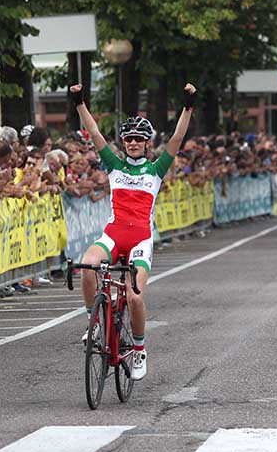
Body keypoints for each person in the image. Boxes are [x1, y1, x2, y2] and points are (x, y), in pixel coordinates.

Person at [69, 80, 197, 381]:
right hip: (113, 233)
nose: (133, 143)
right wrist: (79, 103)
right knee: (88, 265)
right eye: (129, 139)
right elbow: (95, 133)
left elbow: (178, 137)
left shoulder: (155, 169)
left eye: (139, 139)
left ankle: (139, 348)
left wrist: (188, 107)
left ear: (146, 143)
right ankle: (94, 322)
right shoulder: (113, 164)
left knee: (135, 297)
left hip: (140, 237)